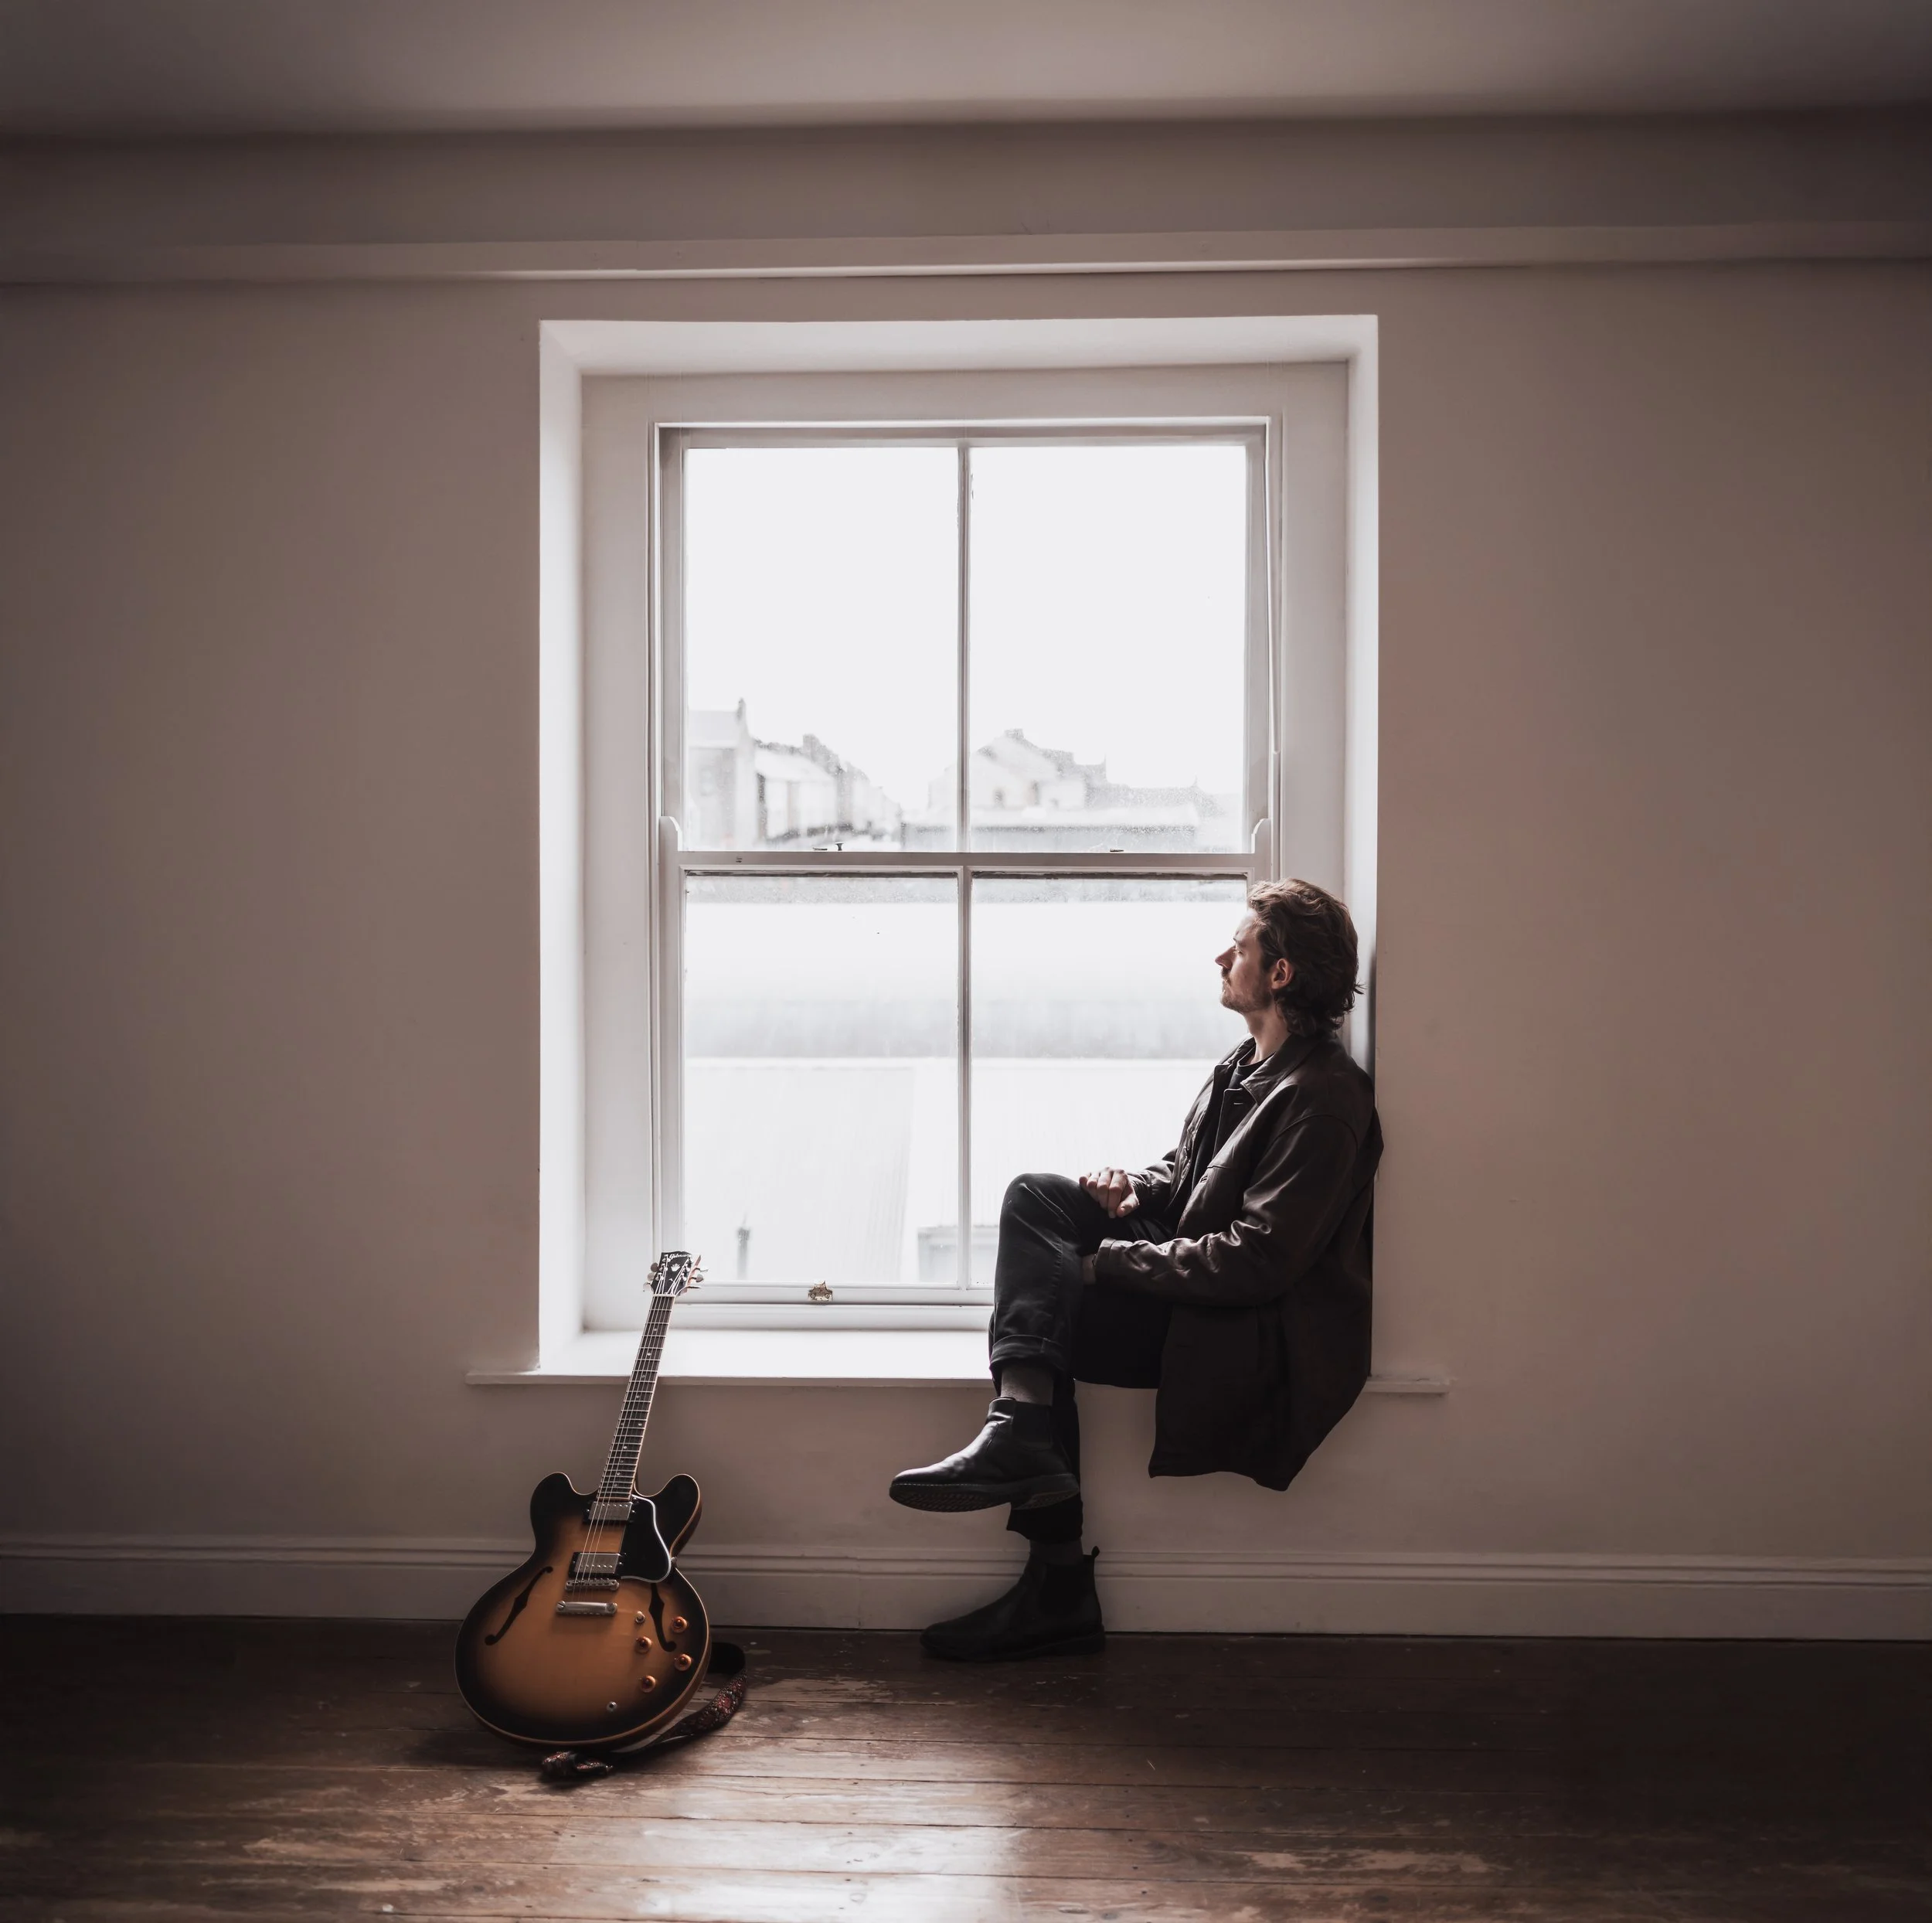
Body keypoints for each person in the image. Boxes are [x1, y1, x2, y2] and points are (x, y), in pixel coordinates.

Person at [889, 877, 1383, 1661]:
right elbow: (1189, 1172)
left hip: (1246, 1326)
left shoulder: (1325, 1098)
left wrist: (1105, 1266)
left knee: (1053, 1311)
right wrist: (1132, 1185)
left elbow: (1259, 1262)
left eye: (1240, 945)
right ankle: (1021, 1434)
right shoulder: (1247, 1062)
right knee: (1037, 1201)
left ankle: (1054, 1573)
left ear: (1280, 973)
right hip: (1193, 1275)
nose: (1221, 956)